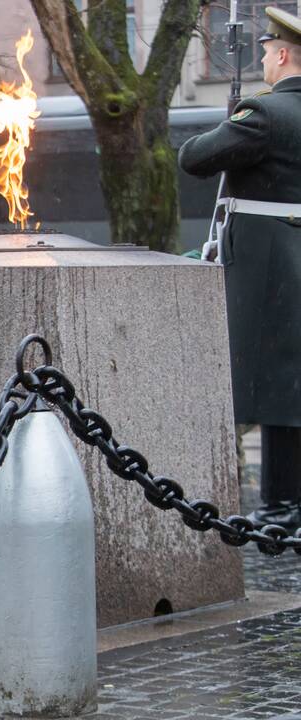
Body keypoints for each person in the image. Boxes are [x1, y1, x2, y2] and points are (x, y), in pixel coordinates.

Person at [179, 7, 301, 532]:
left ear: (281, 55)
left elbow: (195, 157)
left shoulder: (268, 114)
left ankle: (280, 505)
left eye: (267, 52)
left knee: (272, 384)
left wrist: (236, 117)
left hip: (272, 268)